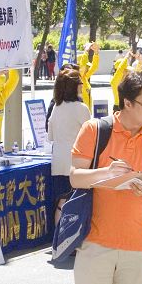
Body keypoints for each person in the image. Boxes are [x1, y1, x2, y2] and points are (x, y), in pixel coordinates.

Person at [70, 69, 142, 284]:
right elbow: (75, 178)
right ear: (128, 103)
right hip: (94, 244)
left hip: (139, 246)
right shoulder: (95, 130)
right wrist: (107, 172)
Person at [48, 68, 90, 214]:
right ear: (74, 87)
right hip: (77, 164)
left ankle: (58, 236)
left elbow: (50, 137)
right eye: (80, 82)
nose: (82, 85)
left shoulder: (56, 107)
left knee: (61, 203)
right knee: (76, 204)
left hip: (58, 162)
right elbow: (92, 137)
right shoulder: (81, 108)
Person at [77, 42, 100, 113]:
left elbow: (94, 67)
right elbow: (82, 65)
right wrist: (86, 51)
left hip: (87, 113)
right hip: (81, 114)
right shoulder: (77, 78)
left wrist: (96, 53)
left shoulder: (85, 77)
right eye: (87, 66)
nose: (88, 68)